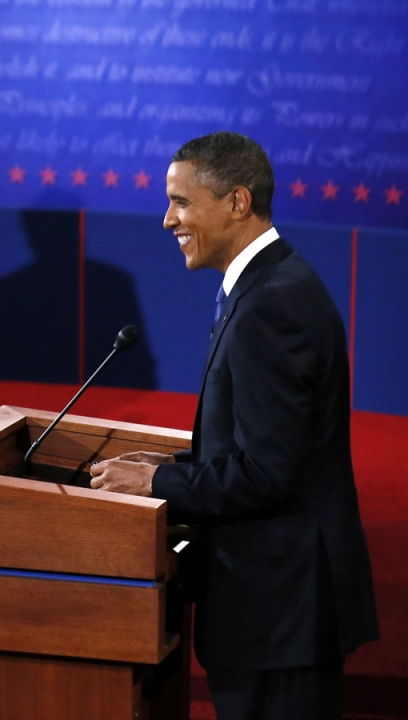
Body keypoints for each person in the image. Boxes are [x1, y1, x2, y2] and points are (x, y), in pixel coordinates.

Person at [88, 132, 378, 720]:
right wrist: (174, 468)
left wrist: (157, 486)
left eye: (182, 202)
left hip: (280, 611)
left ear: (237, 202)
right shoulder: (268, 284)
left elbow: (269, 476)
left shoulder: (273, 305)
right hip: (279, 603)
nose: (168, 220)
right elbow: (267, 449)